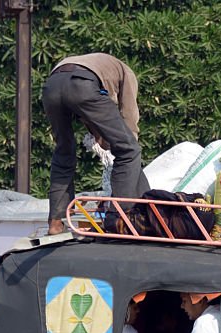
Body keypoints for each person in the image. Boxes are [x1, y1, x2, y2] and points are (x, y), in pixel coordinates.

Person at [42, 53, 149, 235]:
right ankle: (119, 219)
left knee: (63, 152)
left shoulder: (98, 66)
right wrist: (127, 145)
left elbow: (90, 115)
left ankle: (55, 223)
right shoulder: (126, 73)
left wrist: (104, 139)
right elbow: (129, 116)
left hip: (51, 86)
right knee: (129, 149)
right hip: (82, 84)